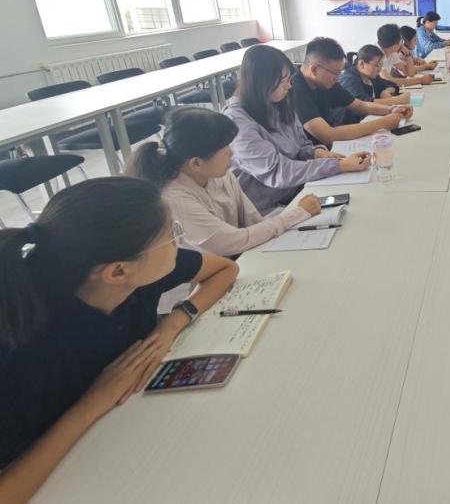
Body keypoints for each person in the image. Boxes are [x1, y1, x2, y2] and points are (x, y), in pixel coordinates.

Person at [0, 177, 239, 501]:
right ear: (117, 272)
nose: (178, 241)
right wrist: (94, 401)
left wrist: (171, 325)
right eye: (171, 235)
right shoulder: (23, 351)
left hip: (124, 439)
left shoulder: (136, 275)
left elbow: (225, 270)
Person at [128, 107, 321, 256]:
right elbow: (233, 242)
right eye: (224, 150)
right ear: (196, 163)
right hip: (209, 278)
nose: (232, 153)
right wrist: (297, 214)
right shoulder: (174, 198)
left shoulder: (219, 173)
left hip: (237, 258)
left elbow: (253, 220)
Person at [223, 44, 370, 214]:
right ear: (262, 83)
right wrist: (339, 166)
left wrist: (316, 153)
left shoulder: (277, 102)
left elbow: (301, 143)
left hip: (299, 189)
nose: (289, 86)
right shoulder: (237, 122)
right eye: (284, 81)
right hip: (266, 210)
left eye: (289, 80)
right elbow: (278, 172)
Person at [289, 37, 411, 144]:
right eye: (335, 73)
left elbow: (359, 105)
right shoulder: (294, 89)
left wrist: (392, 110)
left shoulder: (327, 82)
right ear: (314, 70)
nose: (338, 78)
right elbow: (328, 136)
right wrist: (382, 123)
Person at [341, 45, 413, 108]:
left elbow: (391, 84)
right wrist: (396, 100)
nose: (380, 69)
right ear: (362, 64)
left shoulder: (372, 77)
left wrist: (385, 91)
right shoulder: (349, 79)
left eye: (381, 65)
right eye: (377, 65)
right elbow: (363, 104)